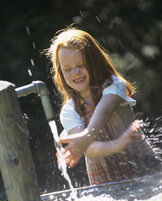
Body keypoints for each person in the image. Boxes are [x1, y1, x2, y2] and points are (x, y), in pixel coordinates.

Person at [45, 26, 159, 185]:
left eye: (81, 65)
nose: (75, 72)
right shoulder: (69, 111)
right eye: (68, 69)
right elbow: (89, 150)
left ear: (94, 62)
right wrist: (116, 145)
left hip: (145, 167)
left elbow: (104, 112)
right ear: (60, 73)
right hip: (106, 181)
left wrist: (85, 137)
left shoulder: (115, 85)